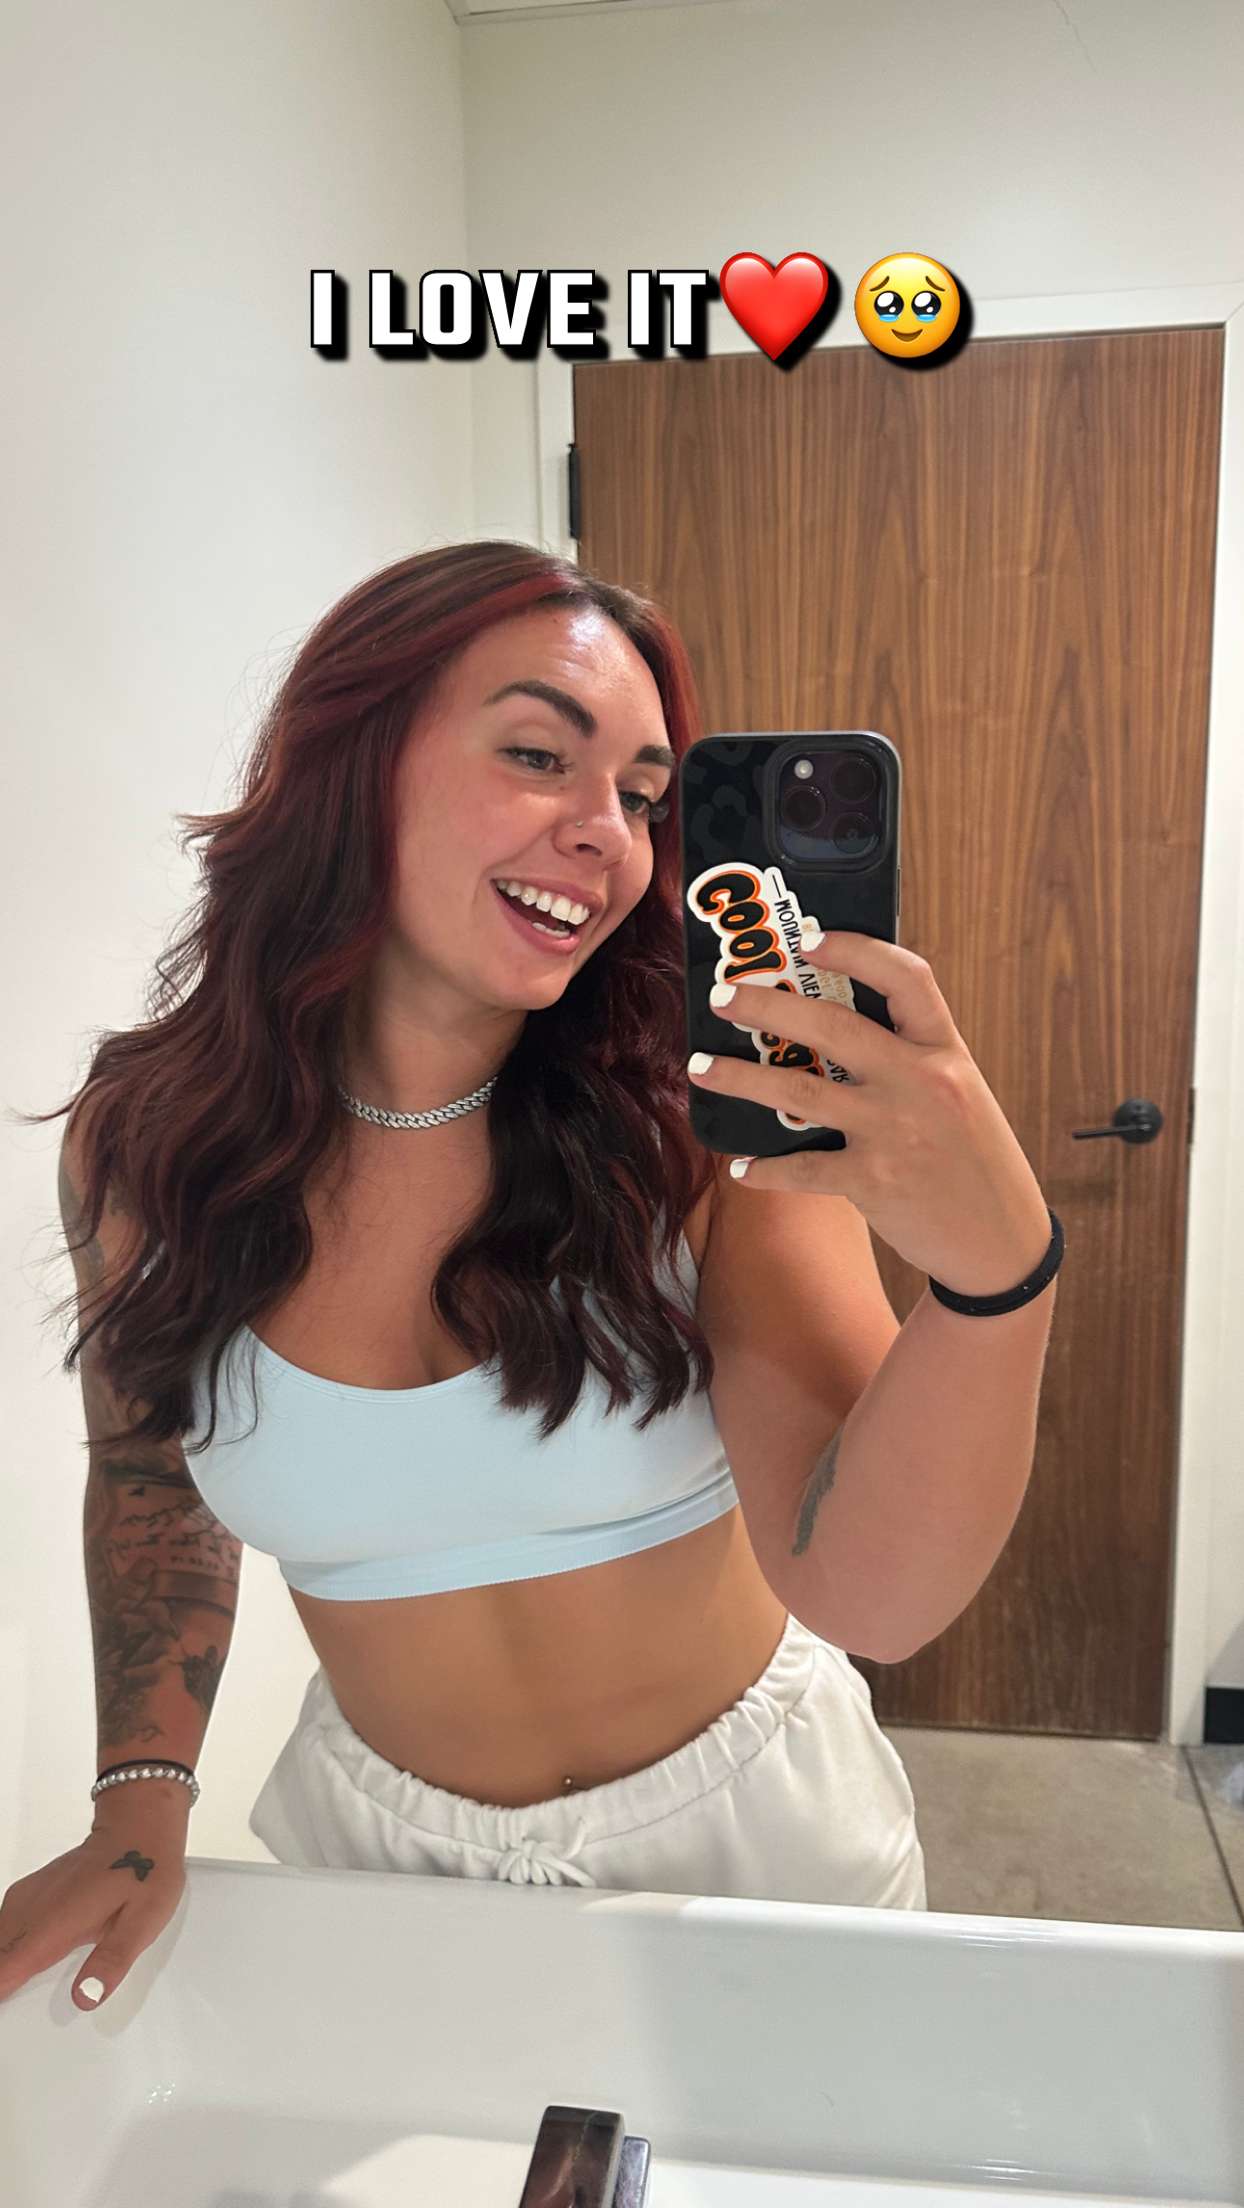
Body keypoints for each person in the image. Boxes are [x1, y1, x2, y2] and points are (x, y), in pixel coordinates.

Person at [0, 541, 932, 2017]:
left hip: (755, 1843)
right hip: (379, 1865)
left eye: (641, 797)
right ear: (352, 761)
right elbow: (149, 1471)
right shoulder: (147, 1147)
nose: (607, 836)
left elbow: (872, 1556)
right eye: (538, 756)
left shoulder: (701, 1121)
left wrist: (992, 1266)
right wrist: (139, 1798)